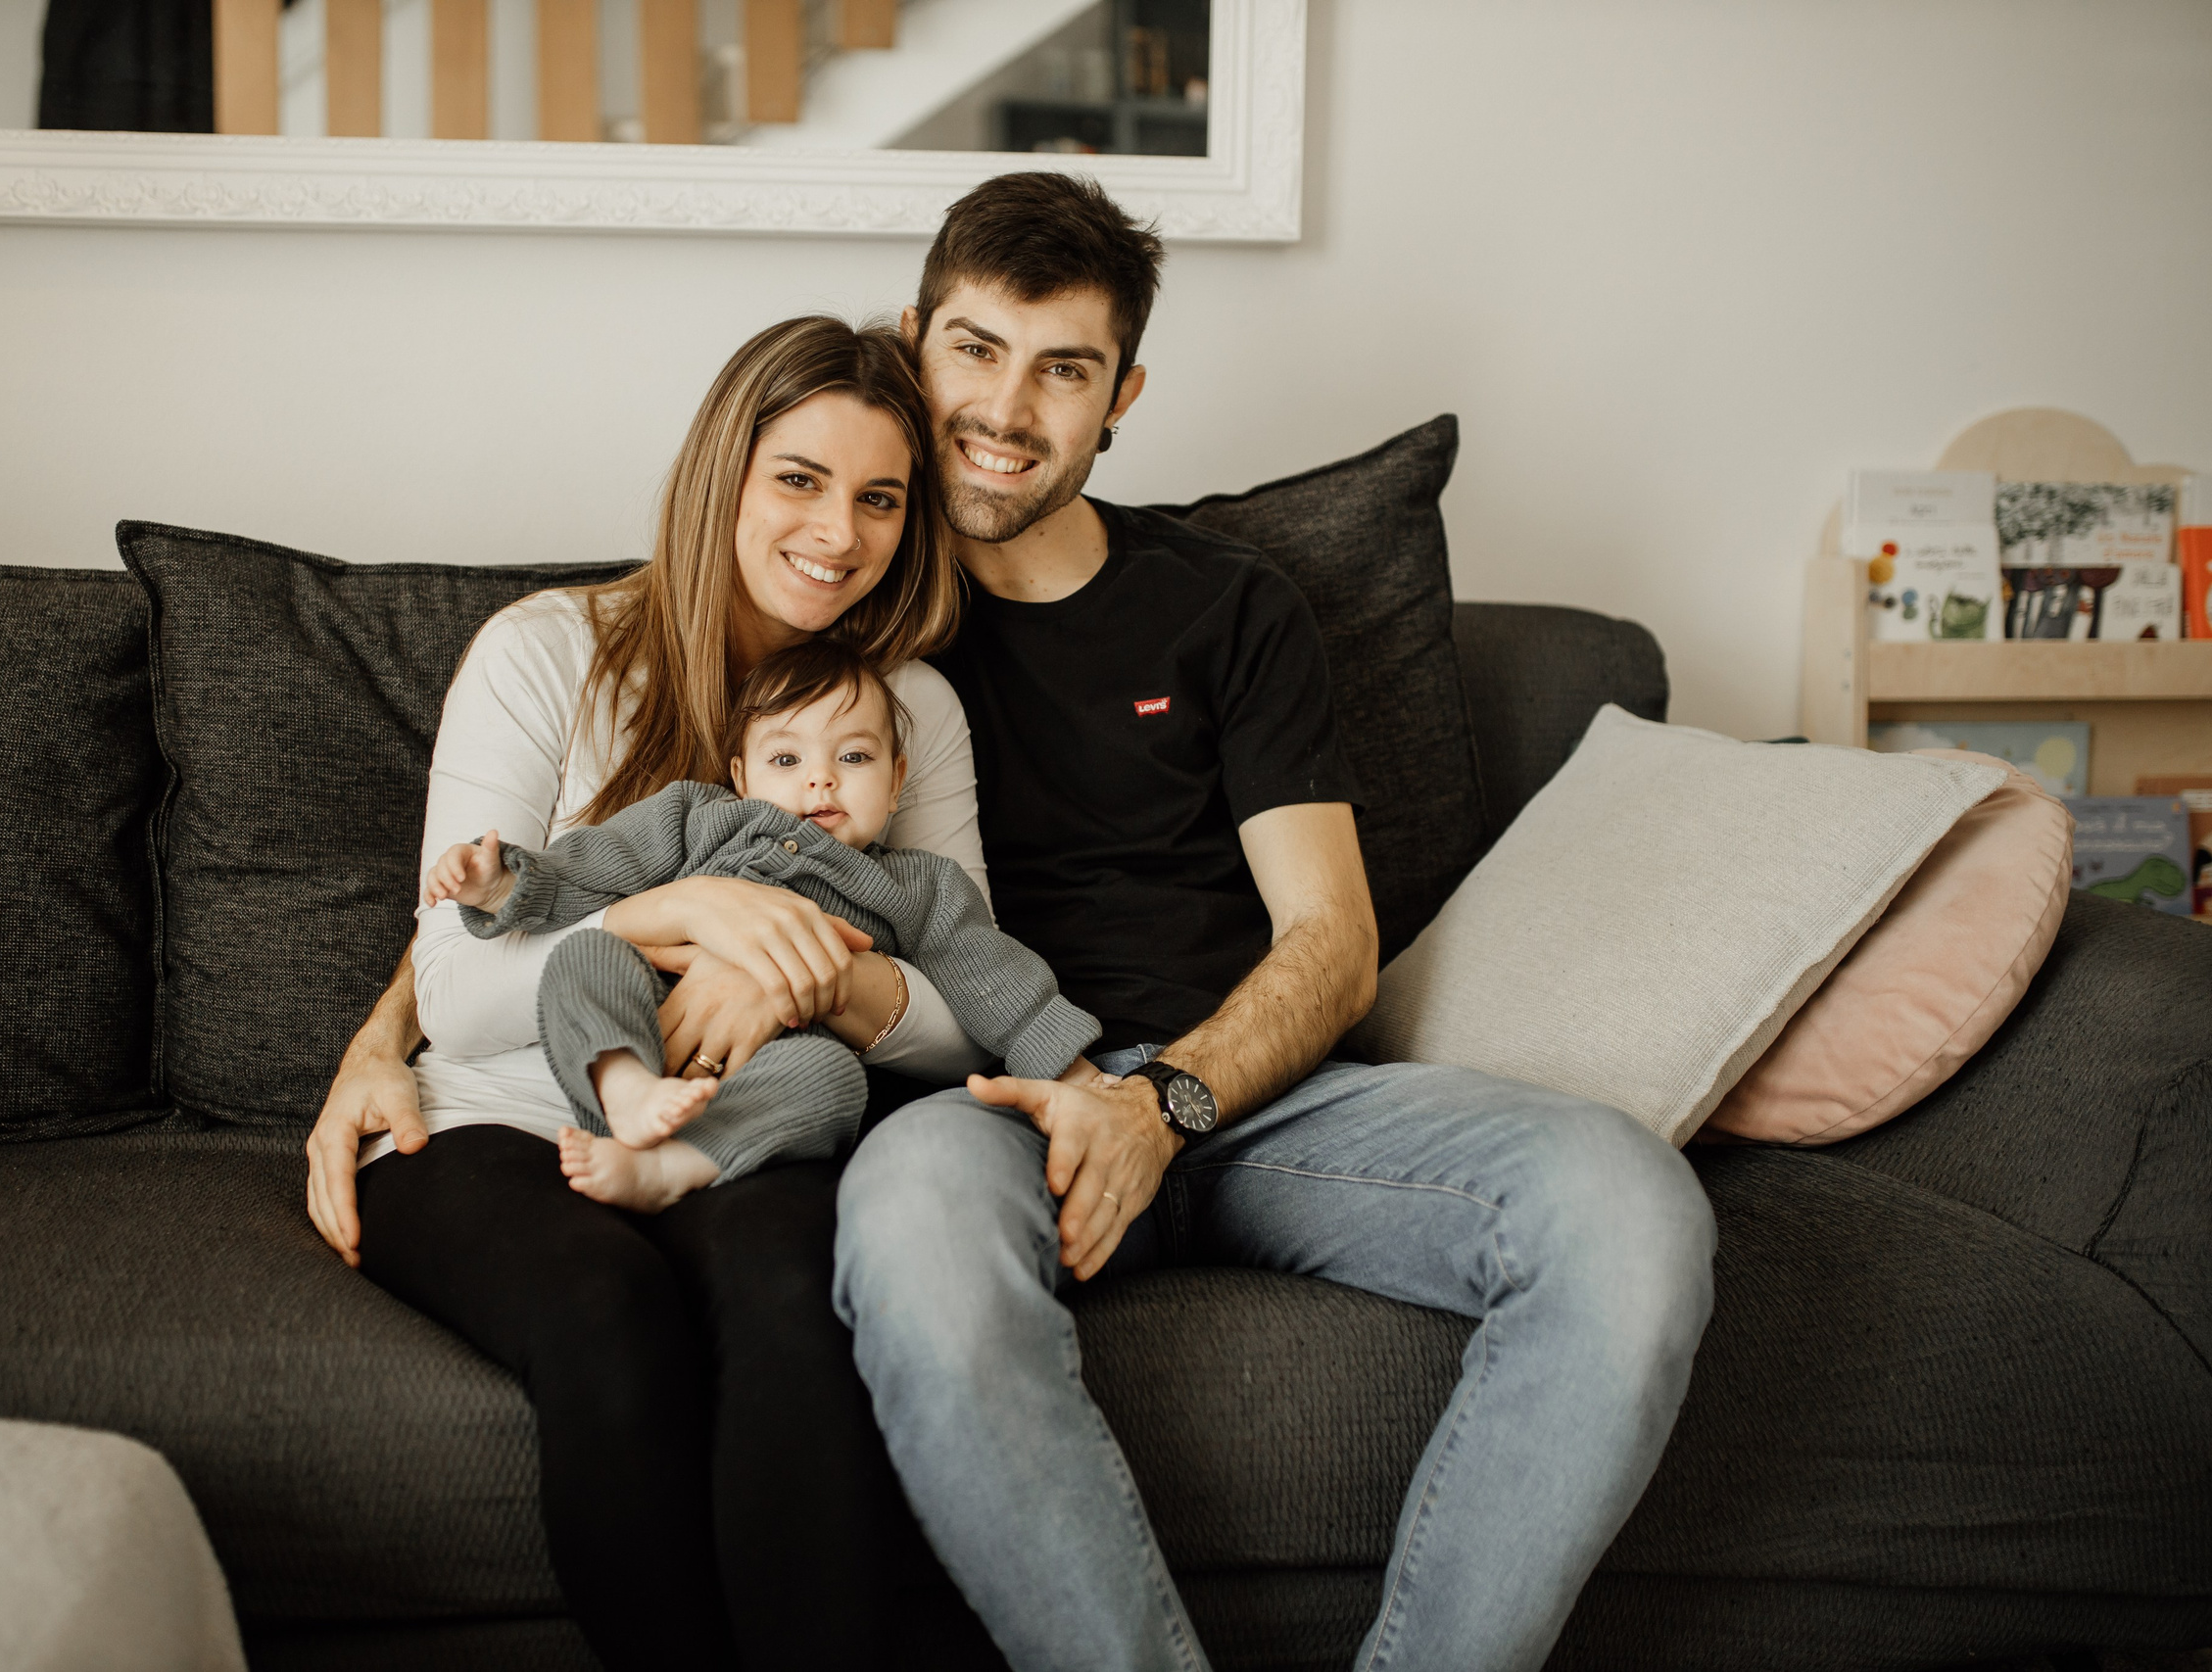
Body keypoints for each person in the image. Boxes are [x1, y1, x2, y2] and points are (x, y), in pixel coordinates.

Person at [829, 172, 1719, 1672]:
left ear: (1124, 395)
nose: (1006, 404)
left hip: (1252, 1100)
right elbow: (600, 804)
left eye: (1064, 368)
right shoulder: (831, 593)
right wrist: (392, 1035)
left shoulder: (1228, 609)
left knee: (1629, 1208)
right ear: (913, 342)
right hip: (983, 1099)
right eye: (976, 348)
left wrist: (1166, 1102)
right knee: (906, 1219)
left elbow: (1331, 938)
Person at [305, 313, 1001, 1671]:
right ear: (721, 475)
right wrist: (669, 912)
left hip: (751, 1126)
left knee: (801, 1295)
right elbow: (453, 982)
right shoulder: (545, 653)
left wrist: (830, 977)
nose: (838, 532)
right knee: (604, 1313)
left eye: (880, 497)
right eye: (798, 478)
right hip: (494, 1116)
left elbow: (968, 1011)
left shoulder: (907, 706)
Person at [419, 639, 1100, 1213]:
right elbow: (591, 868)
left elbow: (994, 976)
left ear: (897, 782)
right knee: (585, 955)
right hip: (644, 1015)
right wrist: (502, 880)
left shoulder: (919, 884)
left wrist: (1069, 1071)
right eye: (787, 760)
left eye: (854, 758)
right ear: (740, 777)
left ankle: (673, 1166)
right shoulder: (698, 816)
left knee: (834, 1080)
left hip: (773, 1060)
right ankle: (626, 1091)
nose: (820, 783)